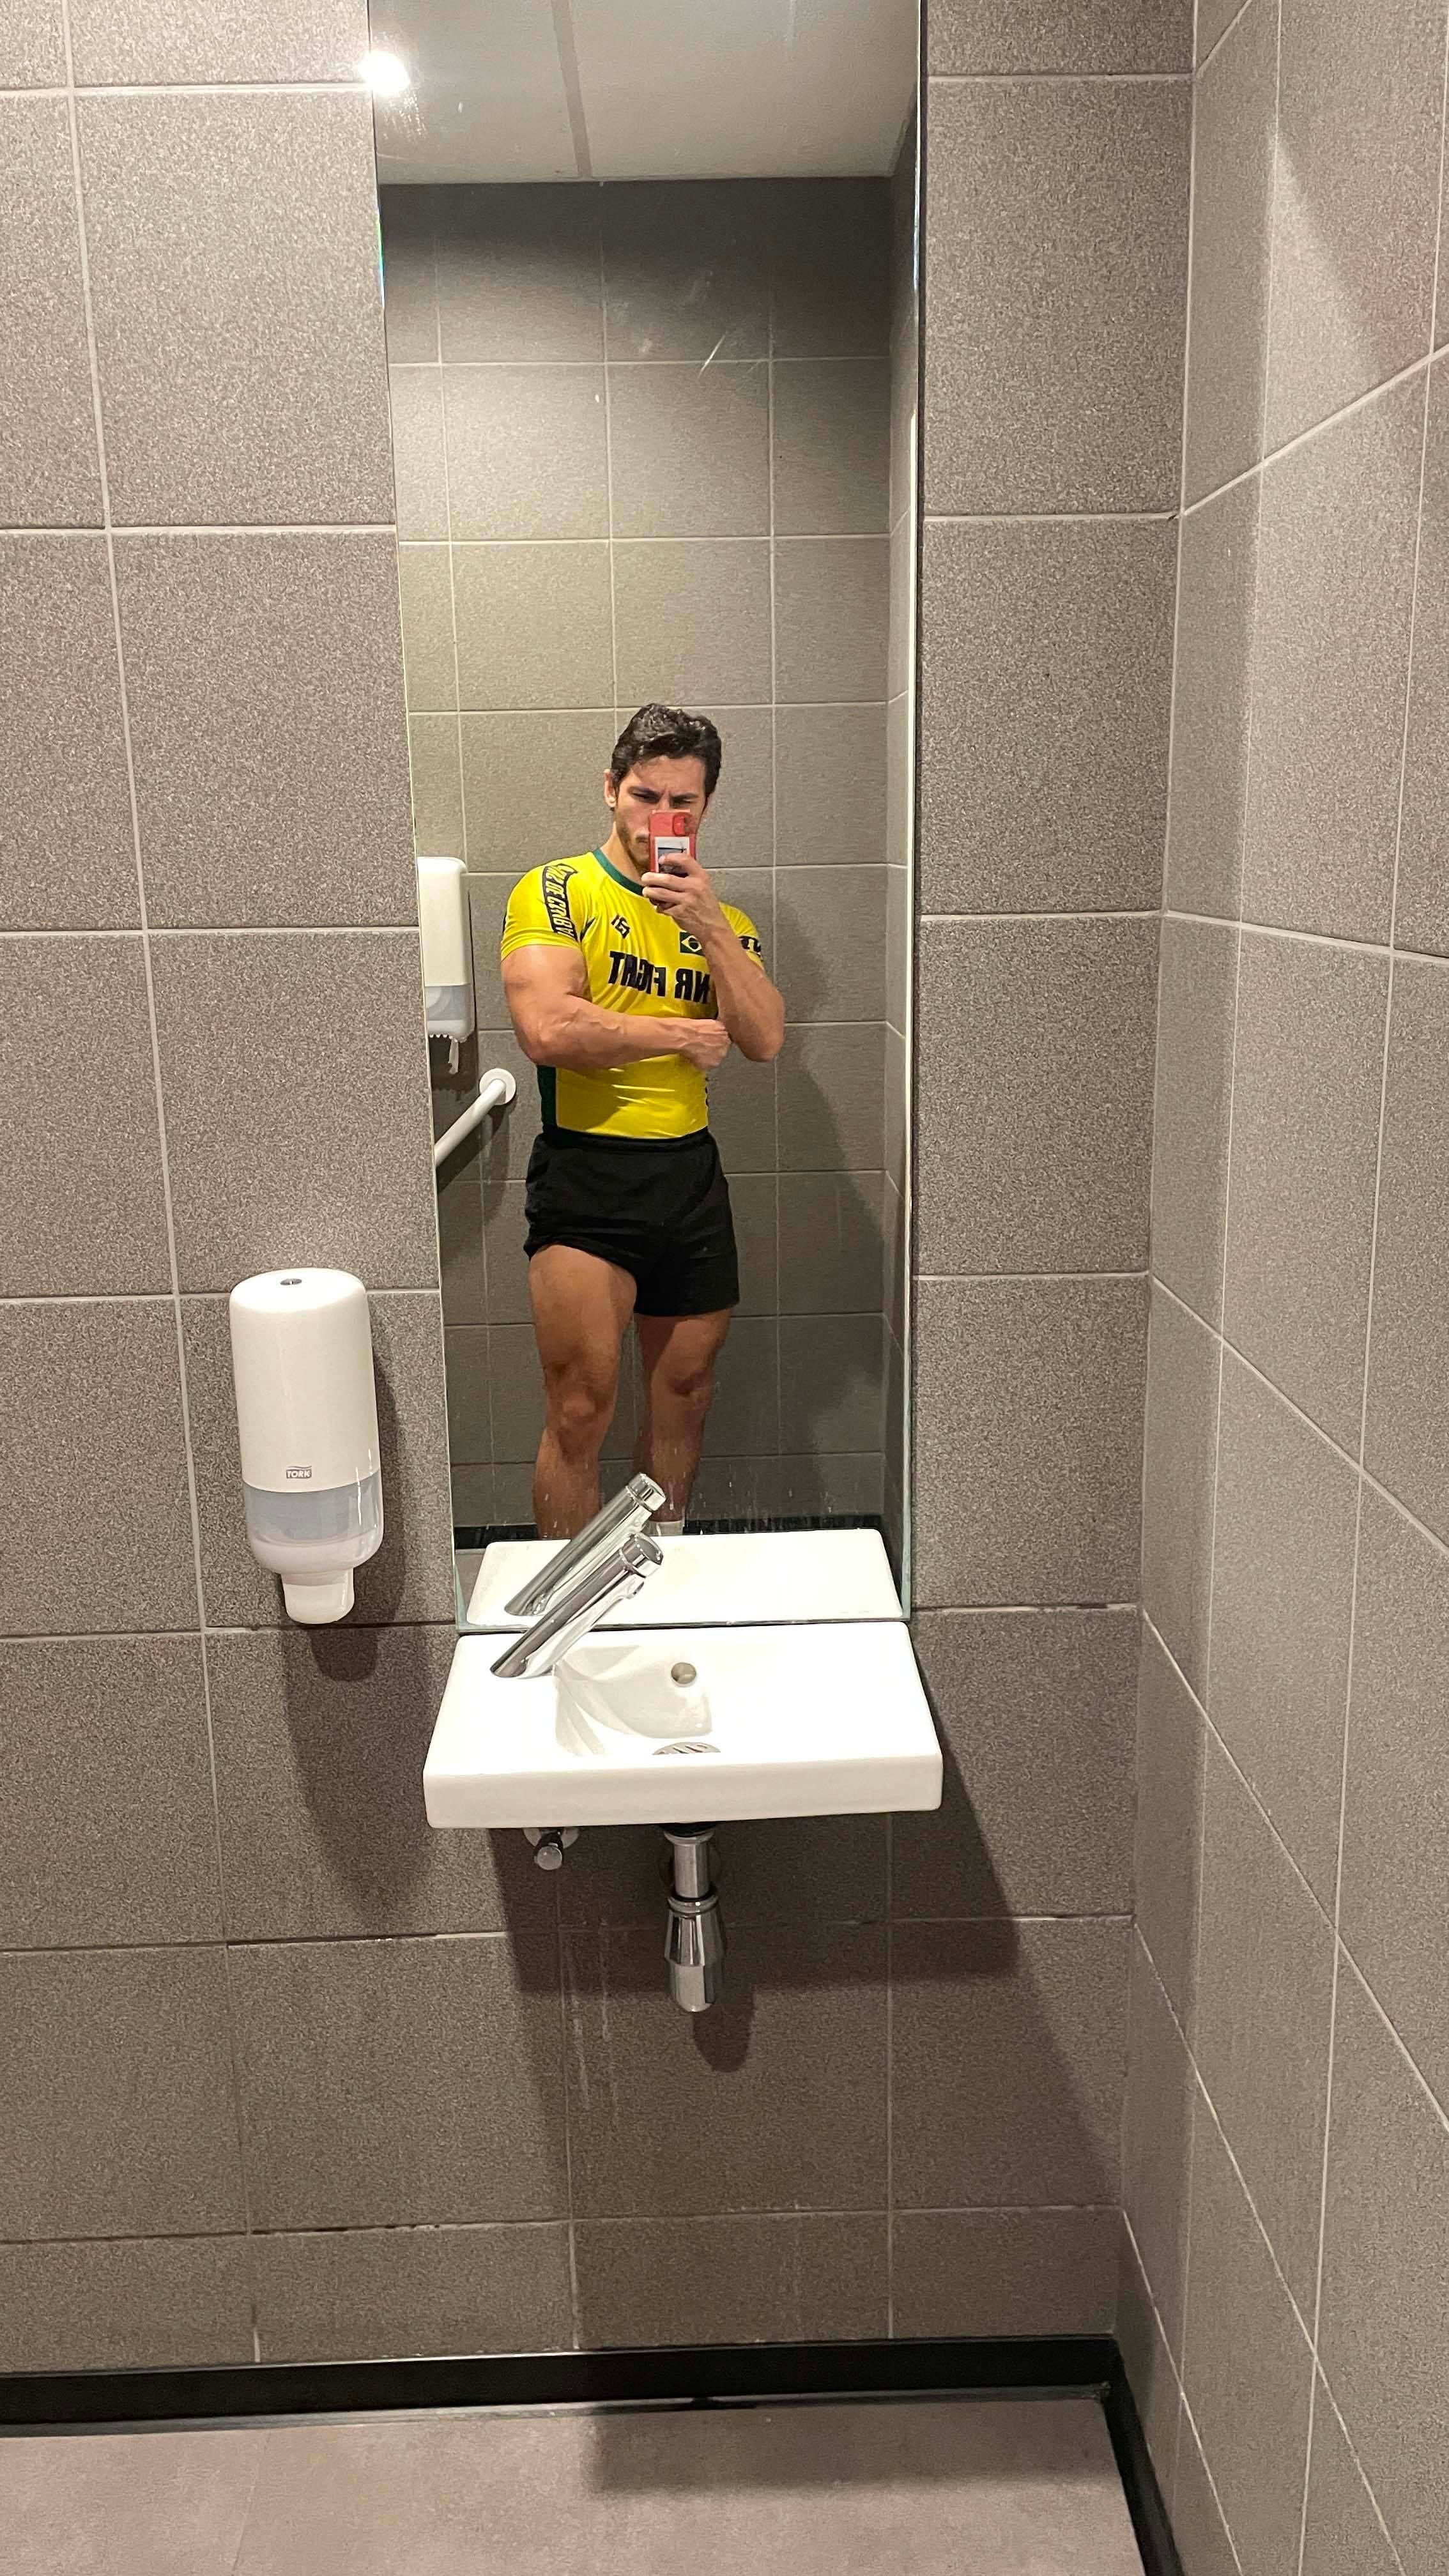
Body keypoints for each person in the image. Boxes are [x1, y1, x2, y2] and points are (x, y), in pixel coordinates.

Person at [500, 702, 785, 1539]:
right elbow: (548, 1029)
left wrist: (710, 928)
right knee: (580, 1403)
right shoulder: (559, 890)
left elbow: (764, 1037)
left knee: (686, 1395)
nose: (661, 816)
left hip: (688, 1176)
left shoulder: (724, 923)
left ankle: (659, 1576)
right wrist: (678, 1036)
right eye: (644, 795)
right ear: (611, 789)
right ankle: (564, 1600)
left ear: (706, 806)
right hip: (588, 1174)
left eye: (682, 802)